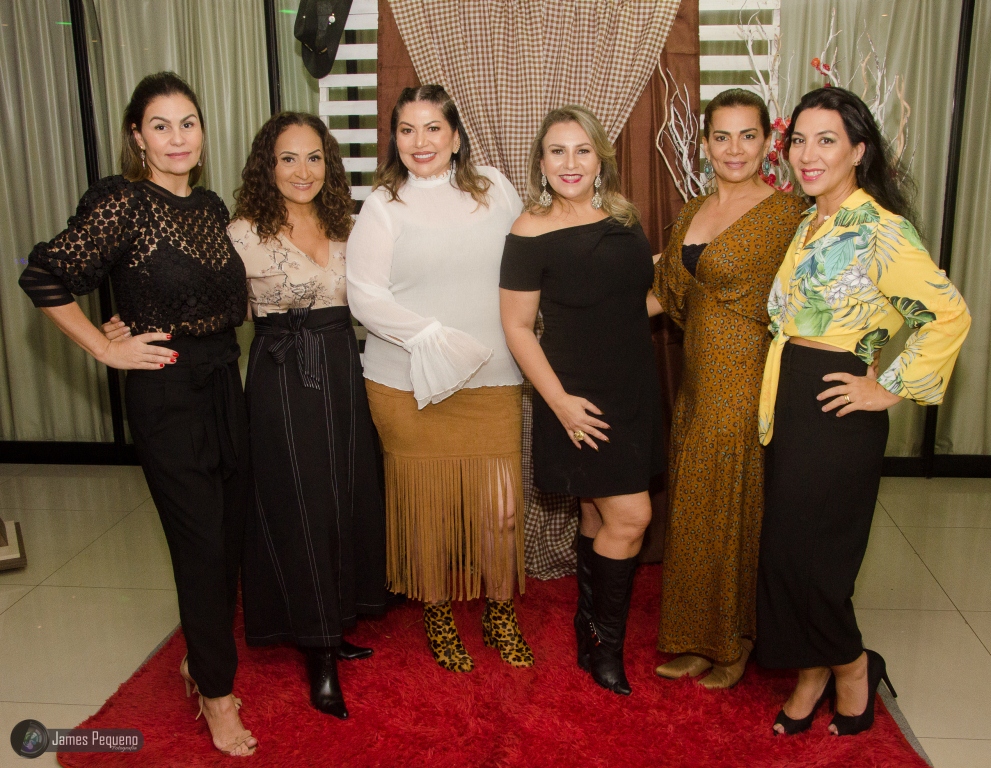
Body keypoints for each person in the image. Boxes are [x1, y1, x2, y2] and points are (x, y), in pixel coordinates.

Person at [18, 72, 257, 756]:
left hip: (224, 383)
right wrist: (104, 347)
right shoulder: (122, 201)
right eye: (160, 125)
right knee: (201, 545)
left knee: (228, 540)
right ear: (137, 137)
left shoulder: (209, 205)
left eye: (188, 122)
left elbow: (214, 300)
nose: (177, 137)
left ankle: (199, 661)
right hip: (166, 393)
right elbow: (42, 275)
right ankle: (216, 695)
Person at [755, 87, 970, 736]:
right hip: (791, 397)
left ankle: (852, 667)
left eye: (827, 140)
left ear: (858, 151)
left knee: (816, 563)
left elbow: (947, 313)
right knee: (786, 555)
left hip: (837, 405)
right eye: (799, 140)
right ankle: (811, 673)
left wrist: (888, 387)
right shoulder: (810, 221)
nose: (808, 154)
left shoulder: (878, 228)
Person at [345, 85, 532, 673]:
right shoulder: (383, 205)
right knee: (429, 511)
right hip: (407, 385)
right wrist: (431, 338)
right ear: (394, 139)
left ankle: (499, 610)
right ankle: (438, 611)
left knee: (501, 511)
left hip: (492, 379)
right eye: (406, 130)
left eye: (432, 128)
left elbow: (527, 263)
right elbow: (363, 297)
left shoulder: (495, 188)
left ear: (455, 136)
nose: (419, 142)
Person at [500, 105, 663, 696]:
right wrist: (562, 404)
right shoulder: (529, 229)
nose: (570, 163)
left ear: (600, 158)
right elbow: (517, 327)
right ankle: (607, 648)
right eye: (557, 151)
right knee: (632, 516)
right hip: (574, 394)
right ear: (541, 163)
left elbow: (631, 300)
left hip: (633, 386)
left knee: (597, 512)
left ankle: (587, 627)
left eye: (582, 150)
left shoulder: (623, 216)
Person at [650, 89, 806, 689]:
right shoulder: (693, 210)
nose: (734, 149)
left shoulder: (790, 216)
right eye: (722, 136)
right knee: (695, 505)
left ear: (769, 142)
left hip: (747, 381)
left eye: (747, 135)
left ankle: (735, 642)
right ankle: (694, 637)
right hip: (696, 381)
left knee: (735, 509)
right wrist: (583, 321)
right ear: (705, 143)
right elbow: (665, 294)